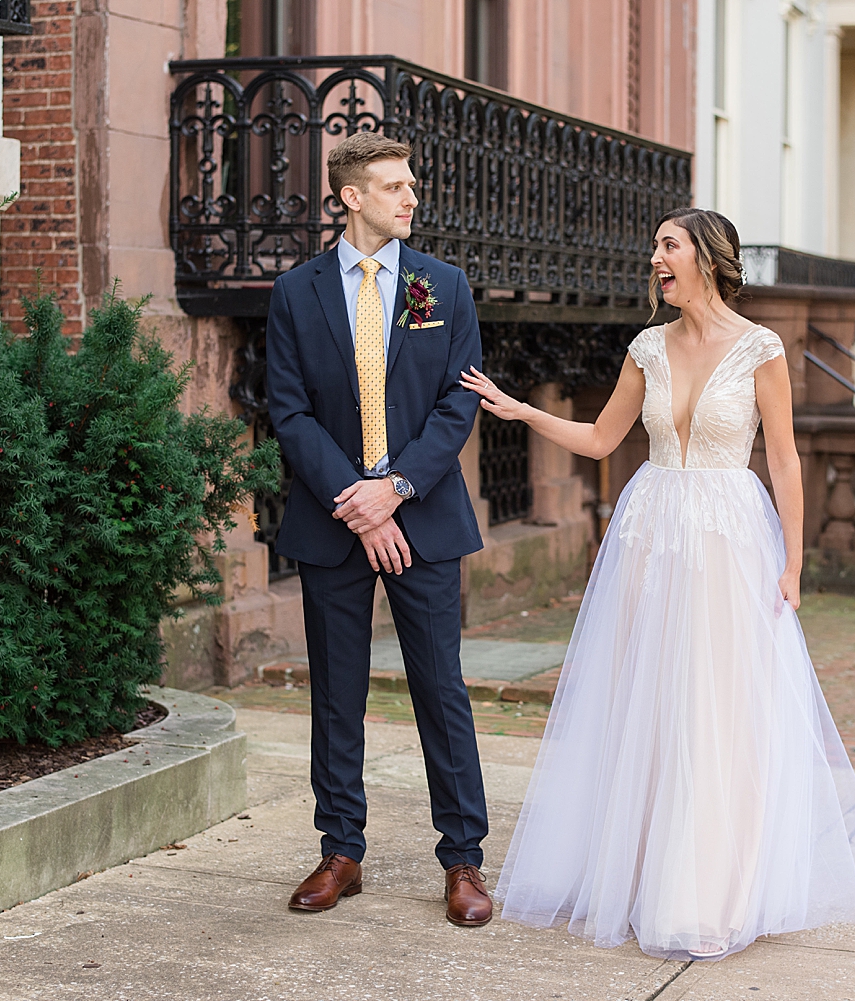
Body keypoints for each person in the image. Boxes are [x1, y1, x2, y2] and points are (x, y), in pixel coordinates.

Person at [460, 208, 855, 960]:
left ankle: (708, 890)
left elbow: (784, 460)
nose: (654, 257)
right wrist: (522, 410)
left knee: (719, 709)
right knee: (649, 700)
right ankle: (640, 873)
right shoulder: (646, 347)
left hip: (729, 539)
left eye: (668, 245)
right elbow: (601, 440)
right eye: (655, 246)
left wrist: (793, 563)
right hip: (651, 534)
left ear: (709, 259)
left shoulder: (762, 347)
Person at [266, 131, 494, 927]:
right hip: (333, 524)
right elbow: (288, 410)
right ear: (351, 197)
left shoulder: (445, 286)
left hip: (422, 519)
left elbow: (457, 404)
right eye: (394, 187)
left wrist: (392, 491)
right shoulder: (296, 292)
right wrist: (355, 500)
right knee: (337, 691)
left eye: (412, 185)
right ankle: (341, 851)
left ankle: (463, 858)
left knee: (441, 688)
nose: (411, 198)